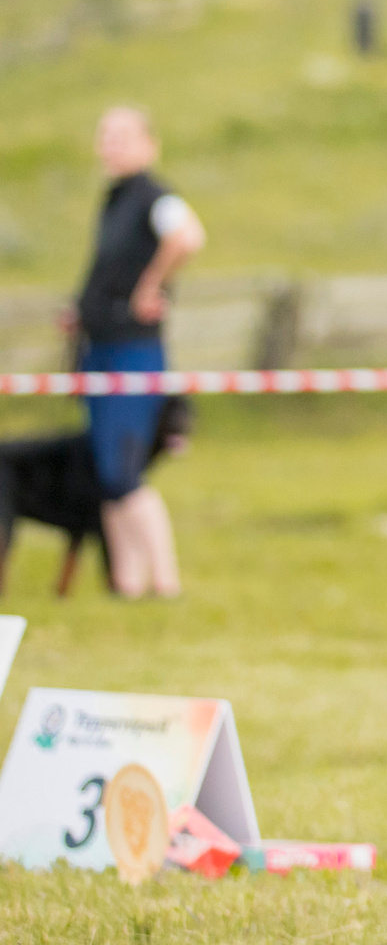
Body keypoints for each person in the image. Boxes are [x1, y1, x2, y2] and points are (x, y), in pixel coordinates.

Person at [62, 106, 202, 597]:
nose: (110, 146)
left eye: (121, 137)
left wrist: (151, 285)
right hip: (99, 349)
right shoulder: (114, 199)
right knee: (106, 470)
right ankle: (126, 582)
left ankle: (164, 583)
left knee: (124, 471)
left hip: (132, 353)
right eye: (105, 136)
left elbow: (188, 236)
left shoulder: (151, 195)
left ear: (148, 143)